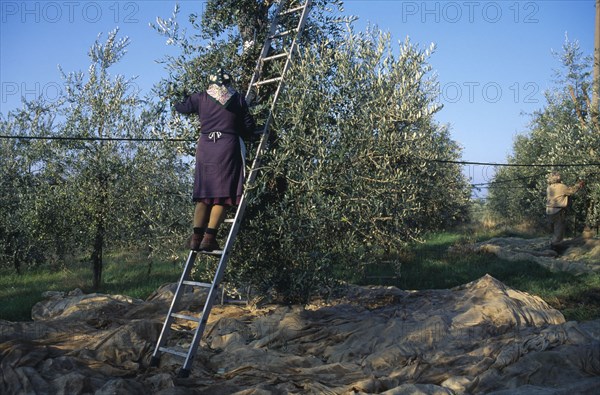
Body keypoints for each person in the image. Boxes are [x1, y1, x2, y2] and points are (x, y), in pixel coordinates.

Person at [174, 68, 256, 251]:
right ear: (228, 82)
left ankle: (196, 238)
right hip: (227, 148)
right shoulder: (237, 98)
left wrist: (180, 96)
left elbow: (182, 107)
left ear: (210, 82)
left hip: (206, 148)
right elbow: (248, 126)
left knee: (204, 195)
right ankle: (209, 239)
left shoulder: (200, 97)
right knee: (222, 196)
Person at [545, 171, 584, 248]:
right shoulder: (562, 187)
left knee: (554, 229)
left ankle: (553, 244)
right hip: (558, 210)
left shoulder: (549, 187)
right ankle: (555, 247)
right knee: (559, 229)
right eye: (559, 175)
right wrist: (579, 185)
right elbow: (571, 191)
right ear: (557, 178)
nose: (560, 176)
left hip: (549, 210)